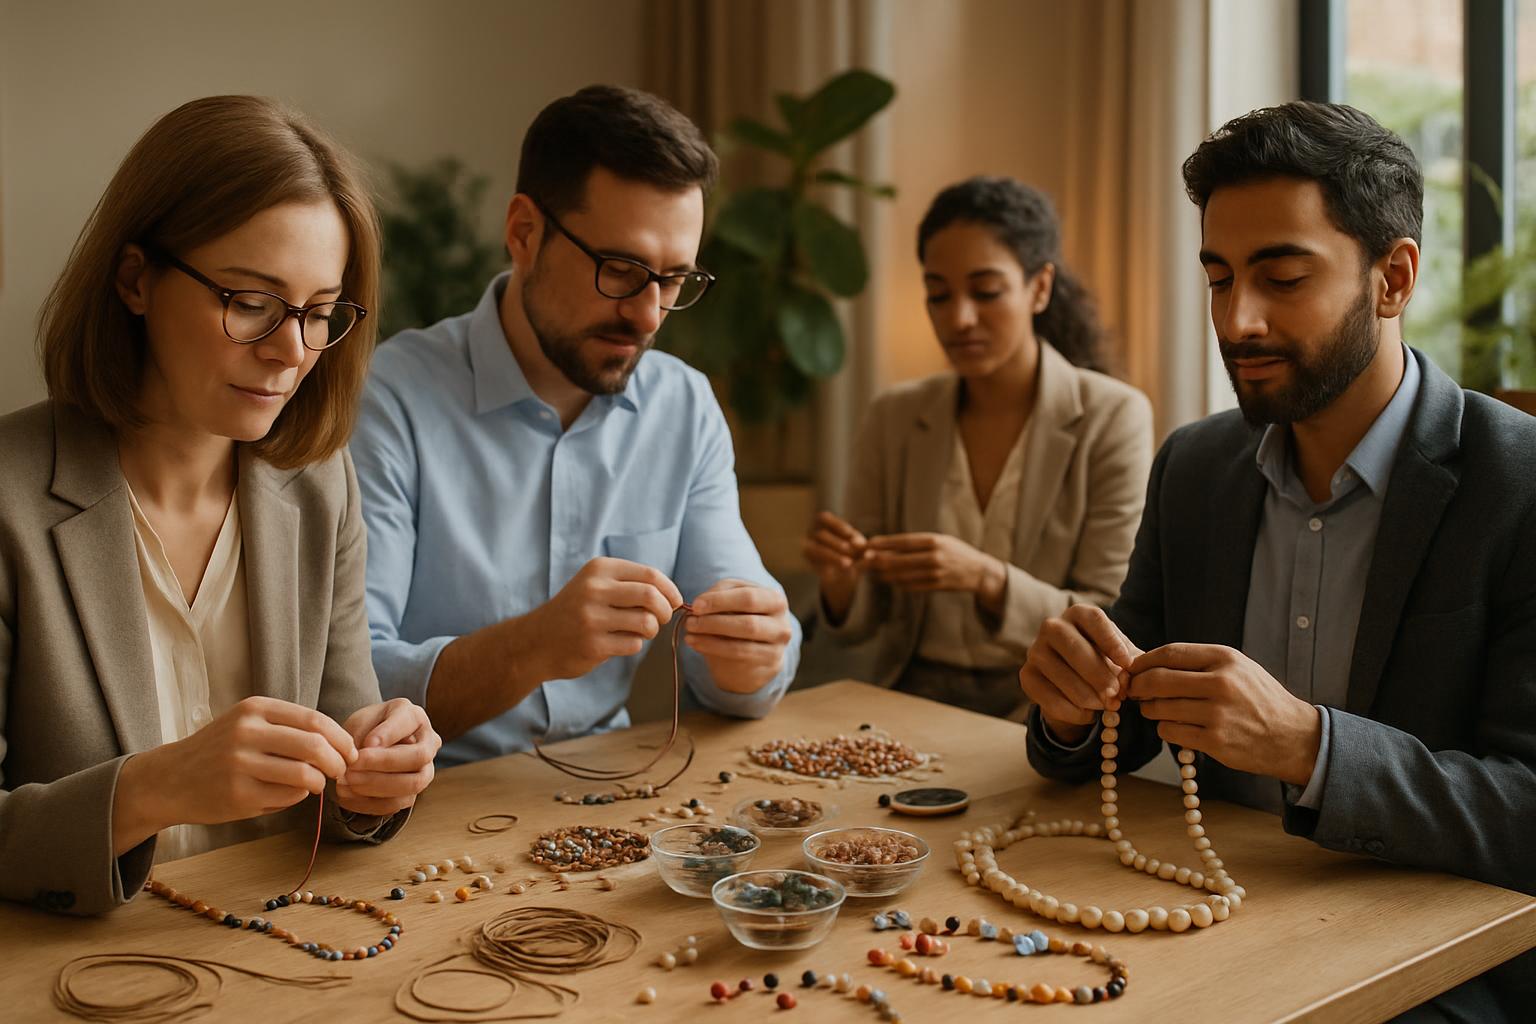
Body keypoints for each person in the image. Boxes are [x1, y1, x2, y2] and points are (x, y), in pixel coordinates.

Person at [1020, 101, 1535, 1019]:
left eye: (1282, 277)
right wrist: (1071, 708)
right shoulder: (1198, 466)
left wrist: (1311, 748)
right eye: (1219, 279)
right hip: (1207, 930)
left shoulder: (1519, 487)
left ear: (1394, 278)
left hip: (1434, 971)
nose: (1239, 320)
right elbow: (1125, 720)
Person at [0, 96, 441, 916]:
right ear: (136, 279)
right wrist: (150, 789)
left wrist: (374, 778)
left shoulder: (320, 485)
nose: (292, 351)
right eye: (252, 303)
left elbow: (340, 772)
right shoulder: (9, 499)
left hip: (283, 945)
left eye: (319, 313)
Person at [352, 85, 798, 766]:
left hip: (608, 796)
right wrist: (533, 645)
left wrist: (752, 658)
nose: (649, 315)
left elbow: (739, 668)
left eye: (674, 279)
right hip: (426, 806)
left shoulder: (684, 407)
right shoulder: (389, 401)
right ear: (524, 233)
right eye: (621, 270)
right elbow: (353, 685)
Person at [804, 177, 1152, 719]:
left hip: (1043, 705)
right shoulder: (894, 417)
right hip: (906, 697)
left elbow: (1109, 619)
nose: (958, 318)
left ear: (1039, 288)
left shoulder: (1111, 416)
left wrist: (987, 578)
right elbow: (862, 622)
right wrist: (842, 584)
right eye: (938, 294)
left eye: (985, 292)